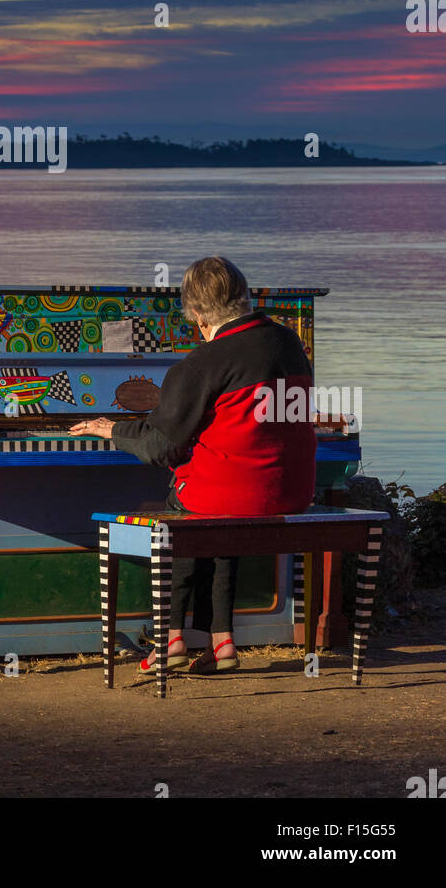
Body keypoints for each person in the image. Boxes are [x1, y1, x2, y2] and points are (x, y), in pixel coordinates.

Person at [69, 255, 316, 674]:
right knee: (217, 502)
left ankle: (169, 639)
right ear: (244, 297)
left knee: (182, 503)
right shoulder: (288, 341)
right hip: (291, 491)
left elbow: (161, 450)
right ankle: (221, 642)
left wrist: (110, 429)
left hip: (237, 496)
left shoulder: (201, 363)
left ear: (198, 316)